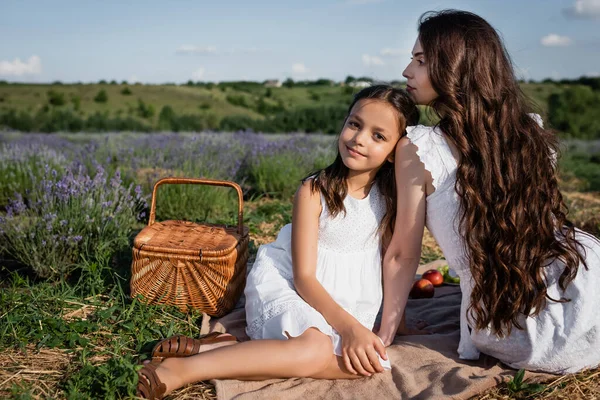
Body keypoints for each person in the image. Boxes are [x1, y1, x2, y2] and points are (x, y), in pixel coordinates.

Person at [136, 85, 420, 399]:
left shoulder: (390, 200)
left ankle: (238, 348)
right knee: (316, 350)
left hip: (350, 303)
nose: (359, 138)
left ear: (396, 151)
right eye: (355, 124)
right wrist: (351, 329)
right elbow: (304, 278)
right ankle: (181, 370)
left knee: (372, 363)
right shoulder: (314, 191)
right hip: (294, 287)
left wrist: (397, 323)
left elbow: (390, 262)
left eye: (378, 136)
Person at [378, 9, 600, 374]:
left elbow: (403, 254)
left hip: (517, 324)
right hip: (581, 292)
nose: (407, 72)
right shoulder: (528, 133)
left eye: (420, 60)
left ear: (455, 69)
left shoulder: (419, 148)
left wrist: (386, 332)